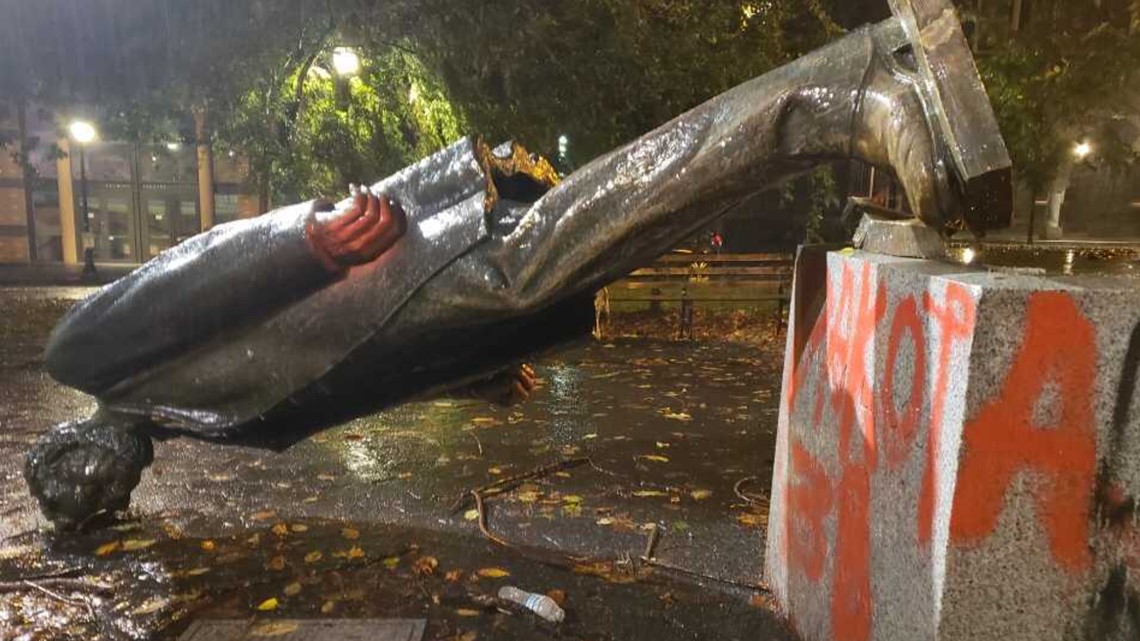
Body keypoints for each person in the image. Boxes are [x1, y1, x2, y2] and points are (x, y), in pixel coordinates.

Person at [28, 17, 970, 528]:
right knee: (597, 241)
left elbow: (185, 273)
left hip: (379, 276)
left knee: (575, 232)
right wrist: (462, 370)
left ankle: (839, 99)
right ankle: (834, 107)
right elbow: (333, 386)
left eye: (74, 485)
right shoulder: (179, 421)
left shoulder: (90, 359)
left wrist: (304, 239)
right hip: (405, 316)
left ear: (66, 452)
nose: (99, 492)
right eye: (97, 505)